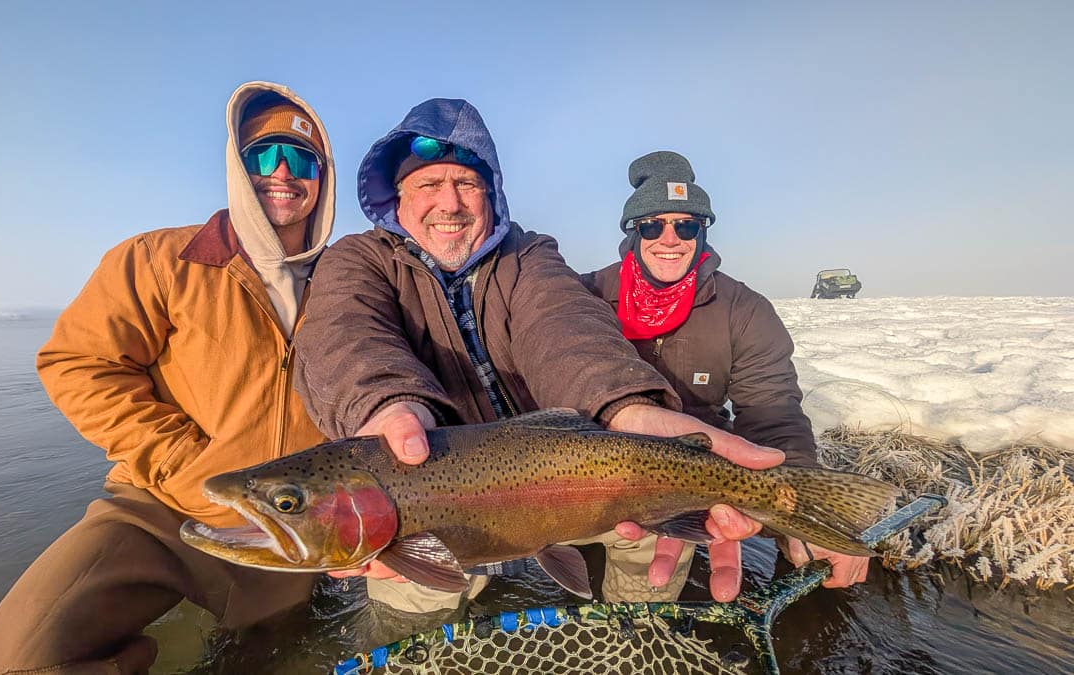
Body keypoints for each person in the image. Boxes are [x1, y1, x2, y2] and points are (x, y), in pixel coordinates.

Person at [292, 98, 786, 613]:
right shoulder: (356, 260)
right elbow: (343, 335)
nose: (450, 203)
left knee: (651, 544)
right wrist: (387, 407)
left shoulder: (530, 256)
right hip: (423, 503)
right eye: (428, 185)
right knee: (408, 608)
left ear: (491, 193)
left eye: (466, 184)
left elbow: (565, 329)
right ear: (397, 196)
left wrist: (622, 406)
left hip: (565, 484)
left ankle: (642, 633)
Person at [0, 82, 336, 674]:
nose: (282, 172)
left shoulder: (350, 282)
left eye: (301, 160)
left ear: (323, 177)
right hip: (158, 508)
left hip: (292, 524)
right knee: (15, 658)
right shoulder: (158, 260)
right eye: (263, 155)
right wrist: (181, 461)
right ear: (237, 167)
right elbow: (78, 363)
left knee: (276, 658)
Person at [582, 150, 870, 593]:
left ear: (703, 232)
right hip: (576, 484)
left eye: (687, 225)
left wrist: (804, 516)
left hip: (679, 497)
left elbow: (772, 413)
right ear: (632, 233)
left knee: (641, 608)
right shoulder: (581, 298)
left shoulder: (745, 311)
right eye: (653, 225)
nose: (670, 238)